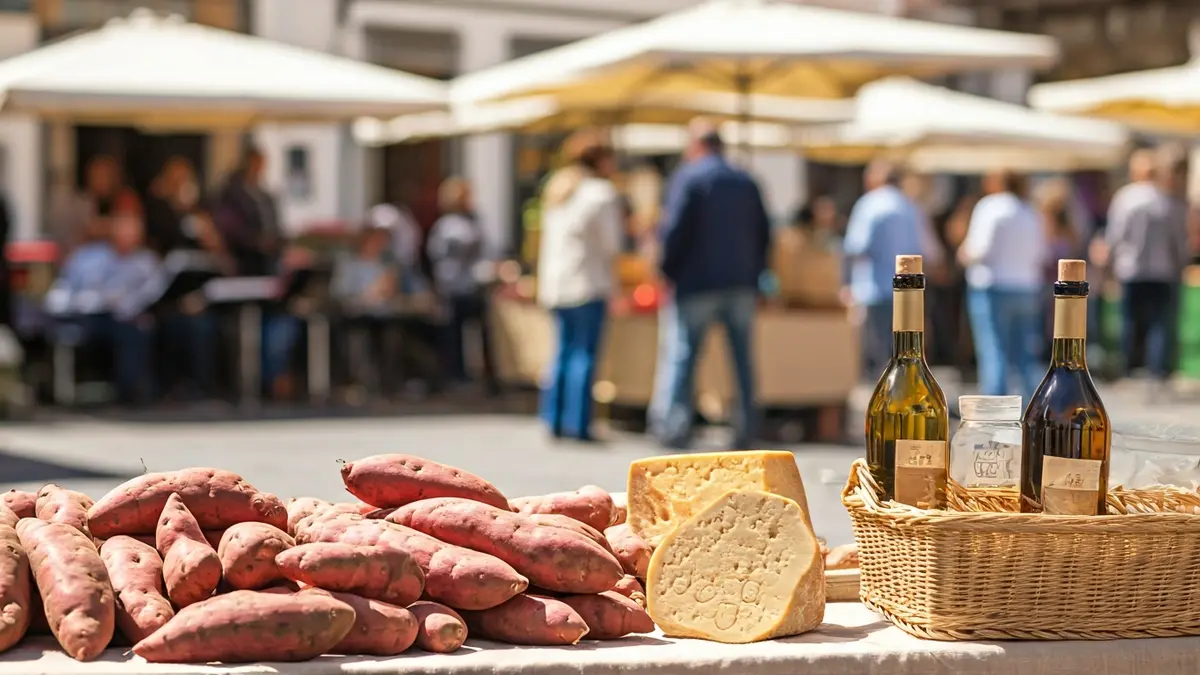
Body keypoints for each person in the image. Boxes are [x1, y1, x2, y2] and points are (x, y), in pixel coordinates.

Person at [649, 118, 770, 450]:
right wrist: (757, 274)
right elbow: (764, 233)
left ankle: (673, 427)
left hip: (696, 282)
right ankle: (746, 424)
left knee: (683, 356)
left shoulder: (689, 177)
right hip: (741, 282)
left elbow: (674, 230)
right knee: (742, 359)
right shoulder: (746, 180)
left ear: (696, 144)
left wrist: (666, 270)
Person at [536, 129, 622, 442]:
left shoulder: (558, 190)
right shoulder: (599, 193)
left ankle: (554, 418)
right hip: (587, 283)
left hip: (557, 284)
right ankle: (579, 423)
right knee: (583, 354)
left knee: (562, 353)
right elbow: (612, 244)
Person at [1105, 147, 1190, 396]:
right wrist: (1179, 265)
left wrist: (1111, 265)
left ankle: (1129, 368)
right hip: (1163, 272)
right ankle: (1156, 372)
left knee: (1130, 321)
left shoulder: (1125, 198)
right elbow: (1178, 240)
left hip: (1131, 270)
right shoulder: (1167, 200)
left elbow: (1115, 236)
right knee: (1159, 323)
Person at [959, 170, 1047, 402]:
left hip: (992, 286)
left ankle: (994, 410)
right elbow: (1041, 252)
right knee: (1025, 355)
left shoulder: (990, 207)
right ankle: (1037, 406)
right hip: (1026, 287)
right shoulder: (1030, 211)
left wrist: (963, 254)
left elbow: (979, 249)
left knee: (993, 351)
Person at [841, 160, 925, 379]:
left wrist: (846, 282)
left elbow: (855, 246)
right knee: (905, 349)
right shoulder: (910, 206)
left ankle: (885, 396)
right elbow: (926, 249)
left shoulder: (869, 204)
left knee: (880, 351)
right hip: (909, 291)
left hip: (875, 287)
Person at [427, 177, 498, 395]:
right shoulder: (447, 226)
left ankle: (485, 375)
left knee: (481, 332)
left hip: (473, 285)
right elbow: (438, 258)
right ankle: (456, 376)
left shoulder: (473, 221)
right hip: (454, 287)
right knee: (454, 334)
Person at [99, 197, 165, 404]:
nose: (127, 235)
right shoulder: (95, 257)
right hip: (101, 315)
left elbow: (156, 291)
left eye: (132, 230)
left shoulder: (147, 261)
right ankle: (130, 390)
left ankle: (143, 388)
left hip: (138, 316)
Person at [214, 147, 281, 277]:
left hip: (267, 257)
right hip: (245, 256)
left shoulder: (264, 194)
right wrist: (255, 240)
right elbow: (229, 224)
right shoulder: (233, 192)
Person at [143, 156, 201, 256]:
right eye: (176, 179)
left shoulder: (198, 210)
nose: (182, 184)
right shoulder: (156, 207)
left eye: (186, 178)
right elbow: (165, 237)